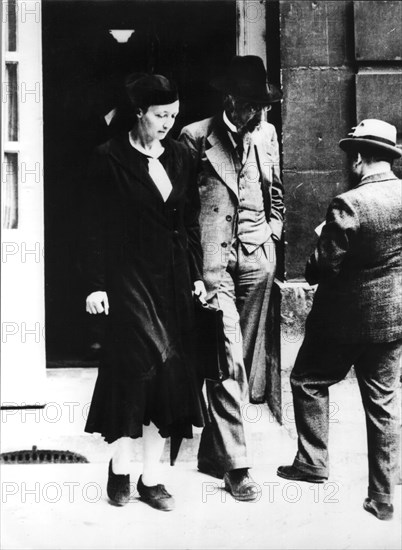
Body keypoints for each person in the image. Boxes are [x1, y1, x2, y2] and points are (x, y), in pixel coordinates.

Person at [82, 73, 207, 511]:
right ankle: (120, 466)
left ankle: (151, 479)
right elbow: (92, 228)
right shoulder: (108, 158)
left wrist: (196, 274)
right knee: (137, 370)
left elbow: (188, 221)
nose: (168, 123)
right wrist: (95, 284)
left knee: (170, 375)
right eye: (160, 115)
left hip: (172, 278)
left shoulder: (180, 155)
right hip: (127, 277)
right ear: (139, 112)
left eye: (174, 115)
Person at [277, 119, 402, 521]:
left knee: (308, 381)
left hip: (343, 322)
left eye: (353, 157)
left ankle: (312, 462)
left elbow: (321, 269)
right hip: (393, 318)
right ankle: (382, 497)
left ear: (361, 159)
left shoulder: (349, 204)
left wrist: (317, 247)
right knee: (383, 404)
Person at [179, 55, 284, 501]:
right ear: (231, 101)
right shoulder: (194, 137)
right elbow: (180, 210)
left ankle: (211, 452)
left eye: (263, 106)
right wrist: (192, 271)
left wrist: (272, 238)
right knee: (228, 359)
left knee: (242, 363)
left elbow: (275, 190)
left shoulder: (267, 133)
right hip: (213, 265)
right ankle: (237, 465)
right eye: (252, 105)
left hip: (257, 260)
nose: (260, 113)